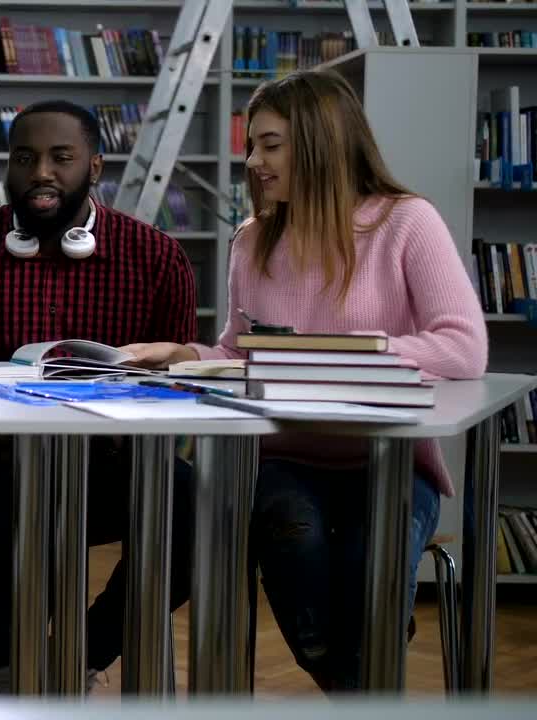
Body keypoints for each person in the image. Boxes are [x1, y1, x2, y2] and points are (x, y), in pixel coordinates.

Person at [121, 70, 488, 692]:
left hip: (391, 458)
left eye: (271, 144)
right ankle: (362, 685)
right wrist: (186, 353)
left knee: (369, 570)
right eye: (251, 146)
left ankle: (365, 672)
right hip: (285, 456)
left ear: (321, 142)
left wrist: (326, 356)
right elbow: (243, 352)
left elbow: (461, 346)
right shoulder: (253, 241)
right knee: (297, 545)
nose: (254, 161)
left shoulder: (406, 222)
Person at [0, 100, 199, 694]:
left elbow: (175, 393)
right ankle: (4, 666)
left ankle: (83, 656)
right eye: (25, 158)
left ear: (94, 167)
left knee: (193, 500)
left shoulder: (158, 258)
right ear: (7, 168)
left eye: (61, 158)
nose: (41, 172)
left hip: (111, 461)